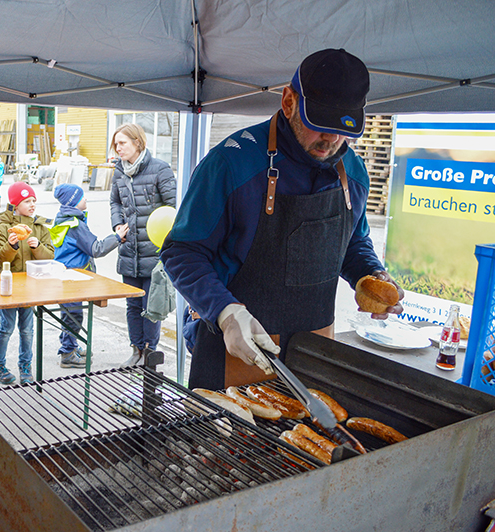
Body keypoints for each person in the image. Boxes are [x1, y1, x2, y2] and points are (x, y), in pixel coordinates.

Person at [160, 48, 404, 391]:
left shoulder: (354, 171)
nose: (331, 140)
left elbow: (354, 241)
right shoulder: (232, 164)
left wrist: (370, 275)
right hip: (237, 348)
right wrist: (226, 312)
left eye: (342, 128)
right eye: (319, 124)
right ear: (288, 101)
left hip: (315, 351)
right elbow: (181, 252)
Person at [109, 123, 176, 367]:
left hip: (154, 252)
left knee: (151, 306)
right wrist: (117, 225)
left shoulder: (161, 169)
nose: (118, 148)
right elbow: (114, 203)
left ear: (138, 142)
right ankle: (135, 350)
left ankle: (150, 352)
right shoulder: (119, 171)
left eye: (122, 143)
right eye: (116, 144)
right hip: (128, 250)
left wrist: (164, 241)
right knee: (132, 304)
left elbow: (172, 206)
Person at [51, 183, 128, 367]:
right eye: (81, 197)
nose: (85, 199)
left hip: (65, 276)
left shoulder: (63, 219)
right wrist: (117, 237)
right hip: (74, 279)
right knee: (74, 315)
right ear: (73, 202)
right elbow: (96, 248)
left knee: (68, 313)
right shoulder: (76, 225)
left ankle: (69, 346)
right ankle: (68, 353)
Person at [0, 182, 55, 385]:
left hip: (31, 287)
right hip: (8, 287)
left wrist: (38, 247)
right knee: (6, 327)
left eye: (34, 200)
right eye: (27, 201)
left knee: (27, 329)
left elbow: (50, 255)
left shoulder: (40, 228)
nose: (32, 204)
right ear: (15, 205)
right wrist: (12, 245)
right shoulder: (3, 228)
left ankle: (26, 365)